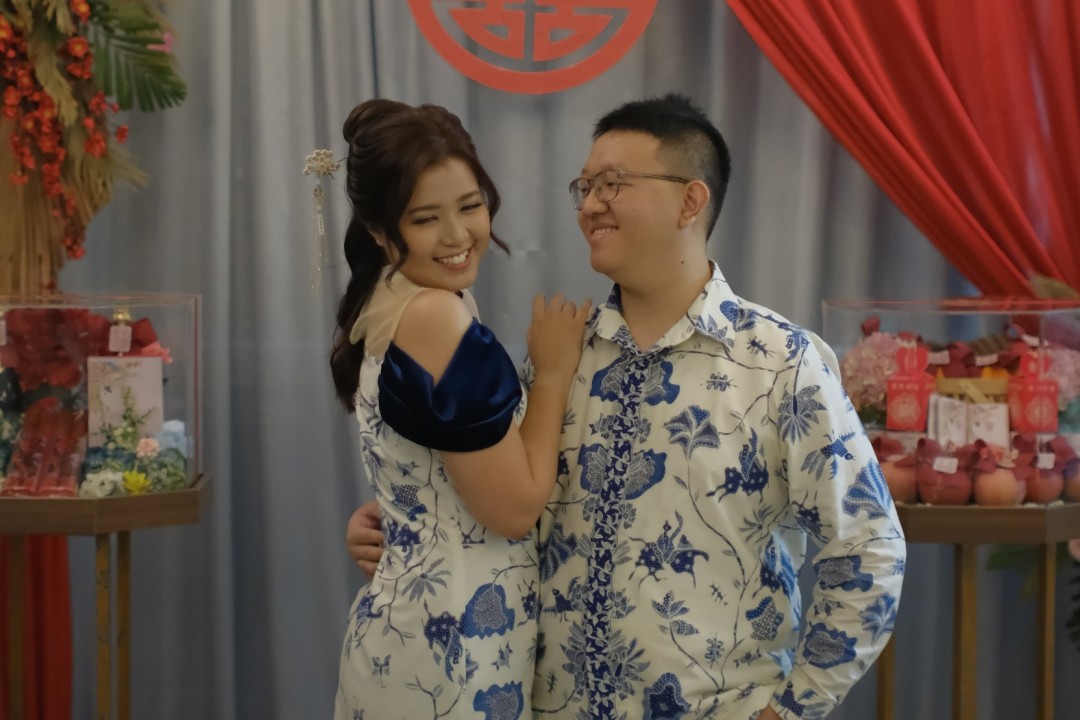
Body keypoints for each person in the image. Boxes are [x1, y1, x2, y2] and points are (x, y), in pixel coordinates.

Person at [348, 94, 906, 720]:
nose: (590, 205)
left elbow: (869, 549)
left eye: (612, 184)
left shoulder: (782, 365)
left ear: (690, 201)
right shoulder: (561, 357)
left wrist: (793, 709)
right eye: (584, 187)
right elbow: (500, 503)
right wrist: (391, 521)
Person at [329, 98, 590, 719]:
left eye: (471, 206)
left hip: (425, 634)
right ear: (379, 230)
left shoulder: (393, 296)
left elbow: (423, 465)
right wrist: (553, 373)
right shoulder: (435, 315)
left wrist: (393, 519)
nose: (458, 235)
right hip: (450, 652)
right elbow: (515, 510)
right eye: (426, 218)